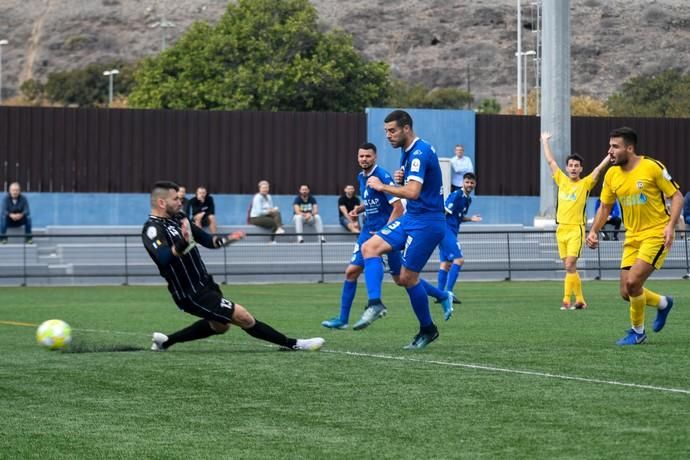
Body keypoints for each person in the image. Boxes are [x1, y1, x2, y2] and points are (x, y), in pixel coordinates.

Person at [142, 180, 324, 352]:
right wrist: (182, 243)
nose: (181, 202)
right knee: (243, 316)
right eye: (176, 199)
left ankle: (166, 342)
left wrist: (228, 239)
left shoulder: (179, 218)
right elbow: (164, 258)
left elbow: (207, 240)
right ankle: (295, 344)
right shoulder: (152, 228)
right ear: (161, 203)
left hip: (205, 283)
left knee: (220, 326)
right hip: (189, 292)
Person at [357, 109, 450, 349]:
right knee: (370, 247)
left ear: (406, 128)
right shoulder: (408, 152)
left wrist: (384, 186)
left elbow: (412, 192)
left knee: (408, 278)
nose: (388, 135)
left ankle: (428, 329)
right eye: (386, 131)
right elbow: (413, 185)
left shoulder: (419, 152)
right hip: (412, 218)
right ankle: (375, 303)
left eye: (392, 130)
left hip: (428, 223)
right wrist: (401, 178)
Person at [586, 127, 682, 346]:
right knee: (626, 292)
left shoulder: (652, 167)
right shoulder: (611, 174)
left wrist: (670, 226)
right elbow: (605, 208)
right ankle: (663, 303)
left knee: (633, 282)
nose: (610, 151)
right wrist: (593, 230)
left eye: (615, 147)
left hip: (656, 234)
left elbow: (676, 197)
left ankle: (637, 332)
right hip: (632, 237)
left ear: (629, 148)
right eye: (609, 146)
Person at [321, 143, 404, 330]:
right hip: (368, 232)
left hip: (384, 234)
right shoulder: (361, 177)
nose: (364, 159)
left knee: (403, 279)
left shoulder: (382, 176)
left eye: (368, 156)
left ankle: (440, 295)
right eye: (361, 156)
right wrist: (360, 208)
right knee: (351, 272)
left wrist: (385, 231)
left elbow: (398, 207)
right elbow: (374, 200)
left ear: (375, 157)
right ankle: (343, 319)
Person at [541, 131, 610, 310]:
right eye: (570, 165)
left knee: (570, 264)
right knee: (569, 267)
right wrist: (544, 141)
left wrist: (609, 156)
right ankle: (580, 300)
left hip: (575, 230)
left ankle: (566, 300)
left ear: (580, 169)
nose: (573, 168)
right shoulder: (562, 180)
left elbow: (598, 170)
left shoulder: (585, 184)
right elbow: (550, 161)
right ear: (567, 167)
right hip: (561, 229)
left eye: (576, 166)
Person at [434, 172, 482, 303]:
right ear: (463, 183)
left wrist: (471, 218)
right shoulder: (456, 195)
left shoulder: (468, 199)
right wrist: (438, 230)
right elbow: (444, 212)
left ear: (475, 184)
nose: (469, 184)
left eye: (472, 182)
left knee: (445, 264)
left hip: (452, 231)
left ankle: (439, 294)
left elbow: (458, 217)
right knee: (459, 260)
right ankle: (449, 292)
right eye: (467, 182)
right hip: (446, 231)